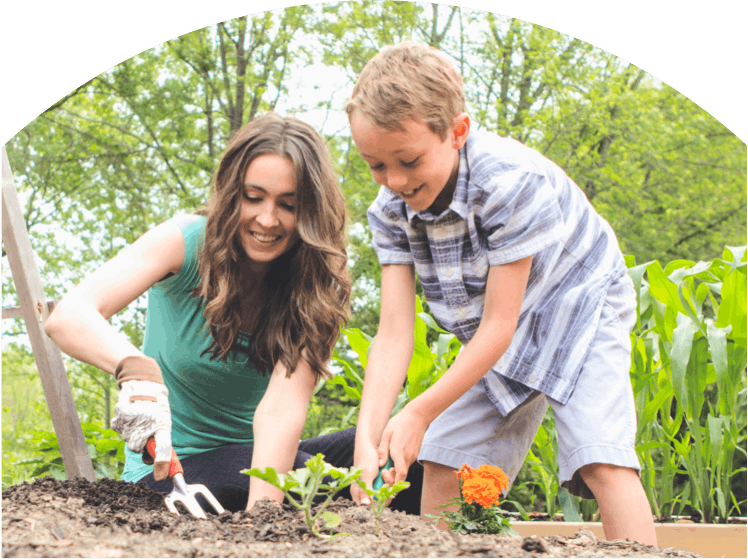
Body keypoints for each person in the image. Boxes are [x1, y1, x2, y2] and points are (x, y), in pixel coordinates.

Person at [345, 41, 658, 546]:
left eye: (407, 160)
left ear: (457, 132)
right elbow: (393, 334)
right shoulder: (389, 212)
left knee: (598, 454)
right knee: (445, 459)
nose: (395, 181)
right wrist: (367, 441)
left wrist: (418, 411)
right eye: (375, 165)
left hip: (581, 302)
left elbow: (499, 327)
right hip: (498, 329)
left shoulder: (507, 182)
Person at [44, 112, 421, 514]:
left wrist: (263, 519)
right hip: (174, 475)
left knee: (404, 453)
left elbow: (282, 411)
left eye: (288, 205)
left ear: (310, 212)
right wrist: (132, 367)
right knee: (242, 477)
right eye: (253, 197)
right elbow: (69, 315)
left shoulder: (314, 287)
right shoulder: (186, 242)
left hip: (260, 463)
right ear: (230, 192)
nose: (267, 219)